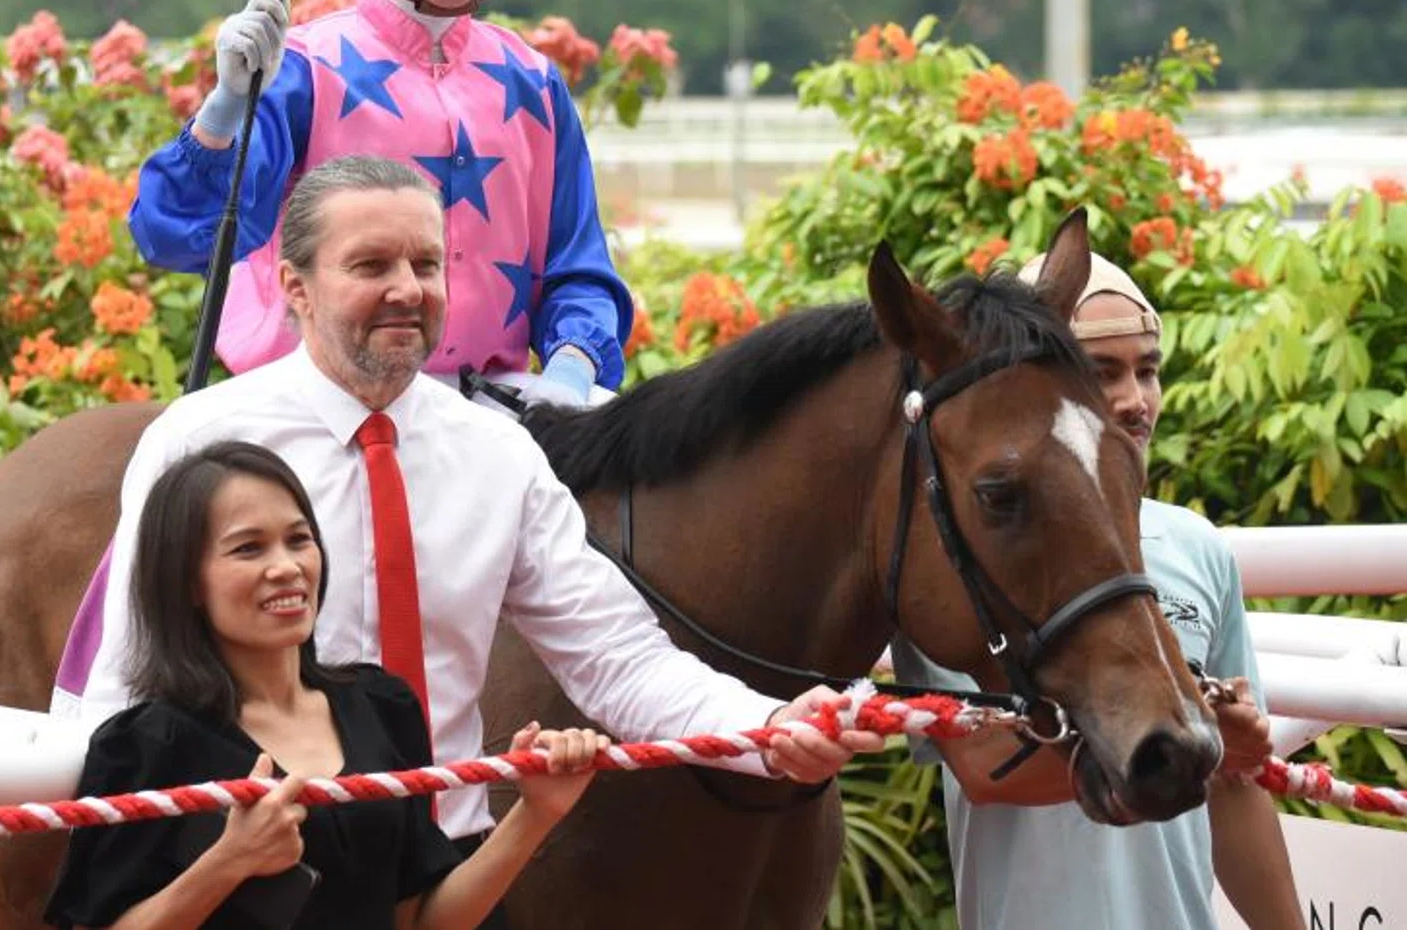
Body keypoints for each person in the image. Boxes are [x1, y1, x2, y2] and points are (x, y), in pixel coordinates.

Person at [72, 157, 883, 860]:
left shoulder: (500, 454)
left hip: (447, 870)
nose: (406, 290)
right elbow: (129, 686)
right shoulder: (200, 438)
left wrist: (774, 729)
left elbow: (621, 661)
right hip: (256, 872)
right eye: (371, 265)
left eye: (427, 265)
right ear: (295, 288)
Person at [128, 0, 632, 408]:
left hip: (489, 417)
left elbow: (580, 272)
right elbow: (173, 233)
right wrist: (225, 107)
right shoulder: (302, 70)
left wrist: (569, 369)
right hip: (314, 411)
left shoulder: (533, 81)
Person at [890, 253, 1303, 930]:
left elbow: (1234, 790)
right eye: (1102, 371)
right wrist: (1205, 739)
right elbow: (986, 768)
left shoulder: (1198, 546)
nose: (1137, 400)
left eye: (1148, 368)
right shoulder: (960, 554)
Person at [46, 440, 606, 930]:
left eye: (298, 539)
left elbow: (419, 922)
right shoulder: (148, 746)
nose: (287, 566)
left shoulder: (382, 708)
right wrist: (229, 861)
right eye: (249, 548)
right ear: (187, 580)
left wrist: (536, 814)